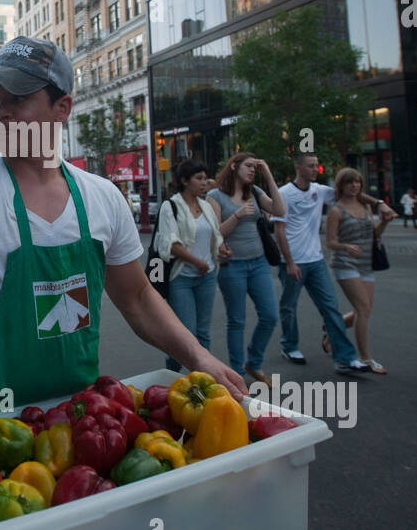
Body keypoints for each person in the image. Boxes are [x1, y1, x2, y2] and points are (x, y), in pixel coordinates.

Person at [0, 35, 247, 514]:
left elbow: (137, 297)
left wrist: (199, 357)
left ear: (62, 106)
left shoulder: (102, 198)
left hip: (83, 430)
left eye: (18, 98)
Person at [271, 152, 395, 373]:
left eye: (317, 166)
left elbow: (351, 194)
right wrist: (289, 262)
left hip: (316, 260)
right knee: (289, 307)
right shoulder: (284, 194)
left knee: (330, 308)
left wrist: (378, 203)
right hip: (292, 261)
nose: (315, 170)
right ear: (298, 167)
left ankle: (345, 358)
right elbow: (279, 230)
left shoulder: (319, 191)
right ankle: (289, 346)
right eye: (310, 166)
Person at [209, 152, 285, 385]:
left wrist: (268, 174)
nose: (252, 170)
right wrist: (238, 215)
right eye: (248, 166)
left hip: (259, 262)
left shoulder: (255, 192)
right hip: (233, 266)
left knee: (270, 315)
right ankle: (237, 374)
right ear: (234, 166)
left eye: (255, 167)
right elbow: (216, 232)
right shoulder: (215, 196)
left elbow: (279, 210)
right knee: (237, 321)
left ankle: (254, 361)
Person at [155, 160, 226, 375]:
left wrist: (222, 248)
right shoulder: (171, 206)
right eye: (199, 178)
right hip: (182, 279)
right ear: (185, 181)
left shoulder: (206, 206)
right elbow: (170, 245)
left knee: (203, 334)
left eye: (205, 178)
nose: (204, 183)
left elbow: (215, 235)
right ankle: (173, 374)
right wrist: (197, 262)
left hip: (207, 277)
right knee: (186, 334)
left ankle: (202, 380)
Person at [327, 168, 388, 374]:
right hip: (345, 263)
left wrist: (384, 223)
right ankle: (365, 357)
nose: (354, 186)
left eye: (357, 182)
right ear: (341, 186)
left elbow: (374, 235)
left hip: (366, 263)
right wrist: (346, 246)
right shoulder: (336, 210)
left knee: (366, 309)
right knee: (362, 308)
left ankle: (332, 330)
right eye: (349, 182)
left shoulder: (365, 206)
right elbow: (330, 242)